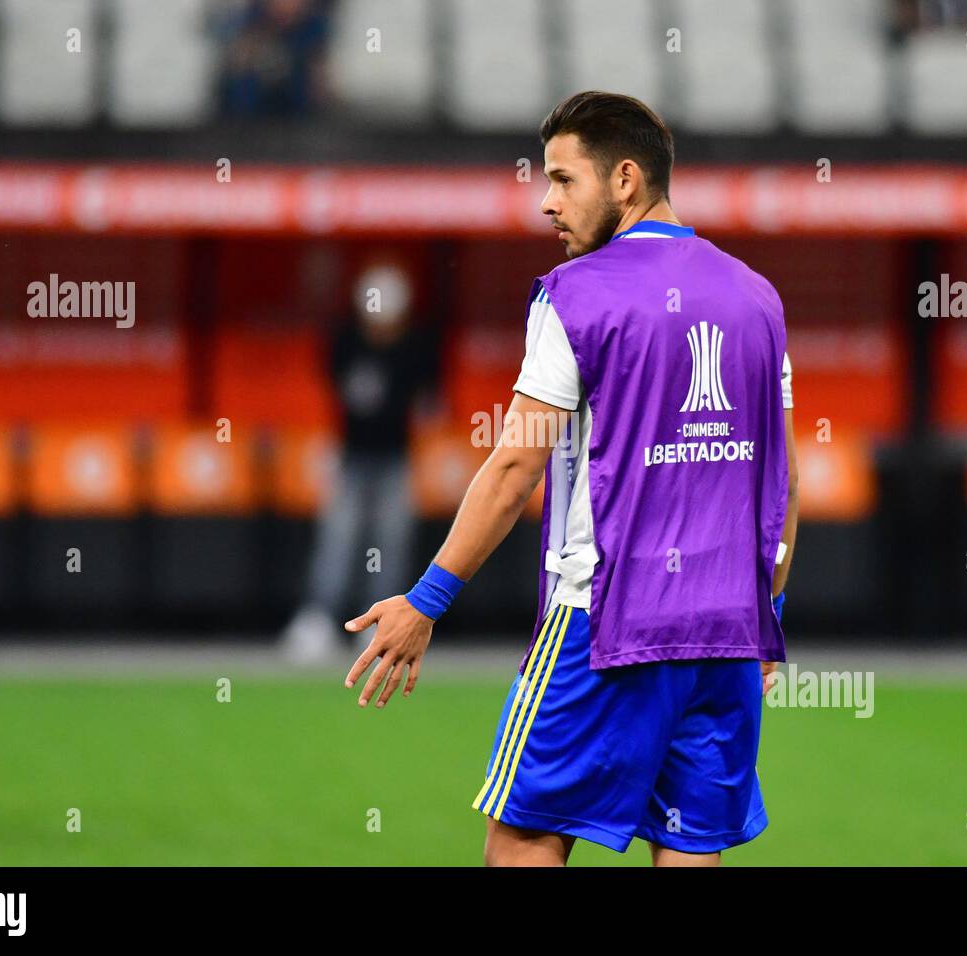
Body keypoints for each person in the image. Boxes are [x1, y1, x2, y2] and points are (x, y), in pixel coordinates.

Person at [343, 91, 800, 867]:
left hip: (607, 627)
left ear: (625, 180)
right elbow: (782, 483)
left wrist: (427, 600)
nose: (546, 204)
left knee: (520, 841)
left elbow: (517, 462)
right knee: (691, 851)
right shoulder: (757, 297)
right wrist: (770, 612)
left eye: (562, 180)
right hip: (727, 630)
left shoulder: (578, 295)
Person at [281, 262, 437, 663]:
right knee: (337, 540)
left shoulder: (415, 346)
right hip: (350, 459)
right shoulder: (346, 341)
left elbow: (427, 402)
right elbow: (336, 388)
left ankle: (378, 626)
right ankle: (318, 618)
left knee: (389, 545)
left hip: (395, 460)